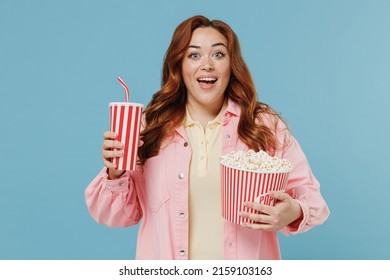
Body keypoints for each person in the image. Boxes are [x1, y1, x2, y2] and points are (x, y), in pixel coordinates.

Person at [85, 15, 330, 260]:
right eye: (194, 55)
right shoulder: (149, 128)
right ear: (179, 65)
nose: (207, 65)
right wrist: (115, 172)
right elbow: (113, 215)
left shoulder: (262, 124)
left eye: (218, 54)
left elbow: (313, 199)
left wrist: (294, 211)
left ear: (231, 65)